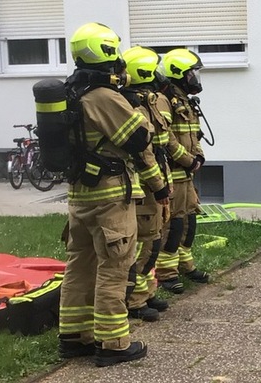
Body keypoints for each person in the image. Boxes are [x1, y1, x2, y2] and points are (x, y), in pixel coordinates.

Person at [56, 22, 168, 367]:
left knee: (80, 264)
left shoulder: (70, 93)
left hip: (80, 195)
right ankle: (114, 343)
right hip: (109, 196)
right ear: (105, 51)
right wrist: (134, 106)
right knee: (114, 267)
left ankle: (73, 336)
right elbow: (138, 138)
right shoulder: (103, 97)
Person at [120, 46, 175, 321]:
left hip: (158, 181)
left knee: (153, 241)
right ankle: (134, 300)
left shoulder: (150, 101)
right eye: (154, 69)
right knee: (144, 244)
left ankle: (146, 292)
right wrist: (158, 185)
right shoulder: (135, 106)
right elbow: (144, 153)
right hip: (145, 187)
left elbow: (163, 142)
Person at [154, 48, 209, 294]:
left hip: (187, 175)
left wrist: (198, 156)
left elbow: (194, 134)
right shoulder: (163, 100)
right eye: (191, 74)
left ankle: (185, 264)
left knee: (190, 222)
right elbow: (165, 138)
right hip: (174, 174)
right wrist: (187, 160)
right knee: (173, 225)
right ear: (178, 74)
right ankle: (166, 273)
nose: (195, 79)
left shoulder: (185, 101)